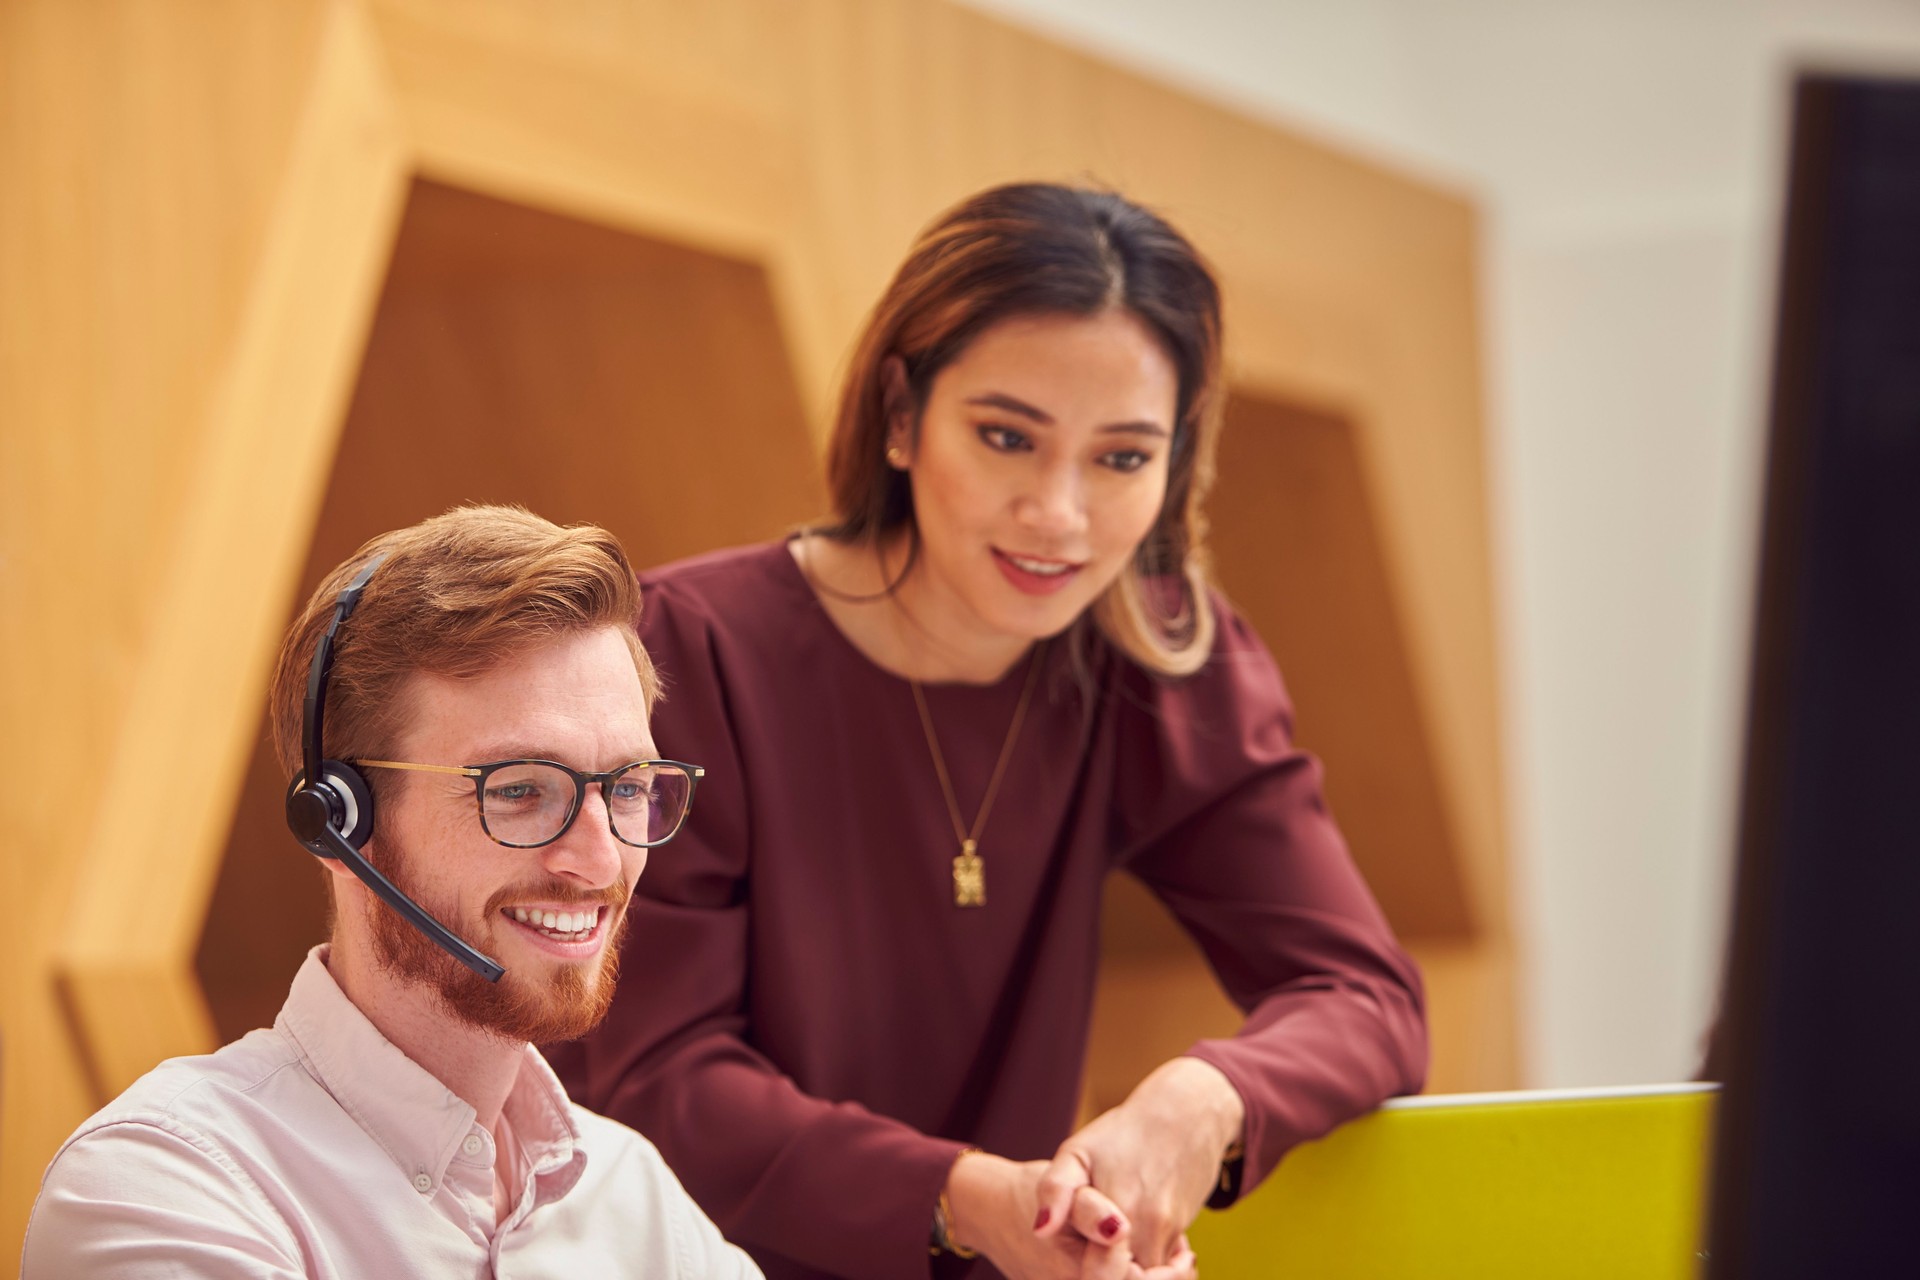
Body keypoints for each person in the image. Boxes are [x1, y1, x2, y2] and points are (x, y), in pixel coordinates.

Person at [545, 184, 1428, 1280]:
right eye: (1008, 436)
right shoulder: (688, 650)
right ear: (903, 415)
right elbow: (656, 1079)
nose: (1058, 512)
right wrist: (963, 1198)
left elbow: (1369, 996)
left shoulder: (1163, 660)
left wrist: (1204, 1102)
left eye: (1121, 456)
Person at [24, 506, 761, 1279]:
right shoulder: (170, 1185)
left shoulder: (635, 1201)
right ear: (340, 824)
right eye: (518, 791)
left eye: (629, 786)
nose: (601, 856)